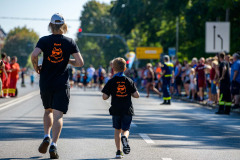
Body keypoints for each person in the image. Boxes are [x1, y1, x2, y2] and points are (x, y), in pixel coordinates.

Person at [31, 13, 84, 159]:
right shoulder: (70, 41)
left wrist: (36, 68)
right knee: (58, 114)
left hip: (46, 82)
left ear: (50, 25)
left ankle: (46, 136)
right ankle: (54, 144)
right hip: (62, 83)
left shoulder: (44, 40)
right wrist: (67, 61)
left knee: (48, 110)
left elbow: (34, 55)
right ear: (64, 26)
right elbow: (80, 63)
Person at [102, 57, 139, 159]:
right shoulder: (129, 80)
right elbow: (136, 95)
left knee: (117, 129)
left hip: (116, 109)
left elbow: (104, 97)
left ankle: (118, 152)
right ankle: (125, 137)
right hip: (127, 109)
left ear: (113, 68)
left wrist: (110, 93)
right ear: (125, 68)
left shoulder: (111, 81)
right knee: (126, 129)